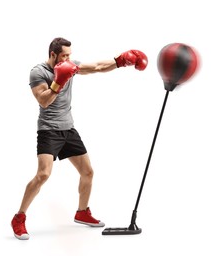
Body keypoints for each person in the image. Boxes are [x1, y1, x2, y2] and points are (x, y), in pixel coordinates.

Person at [11, 37, 148, 240]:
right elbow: (43, 101)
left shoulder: (70, 65)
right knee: (43, 175)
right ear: (52, 54)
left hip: (69, 129)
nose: (68, 59)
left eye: (69, 55)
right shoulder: (38, 72)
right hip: (49, 130)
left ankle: (82, 212)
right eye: (64, 55)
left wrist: (120, 61)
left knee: (88, 172)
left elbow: (98, 67)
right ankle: (19, 217)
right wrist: (58, 81)